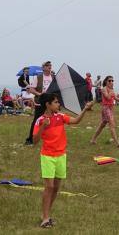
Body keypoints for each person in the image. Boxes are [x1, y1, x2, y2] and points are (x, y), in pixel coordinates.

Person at [33, 93, 93, 228]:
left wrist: (84, 109)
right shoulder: (40, 120)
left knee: (56, 188)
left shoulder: (60, 117)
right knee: (49, 187)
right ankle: (45, 218)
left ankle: (46, 215)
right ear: (48, 104)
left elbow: (76, 121)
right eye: (55, 102)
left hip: (61, 156)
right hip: (48, 156)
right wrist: (43, 126)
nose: (58, 104)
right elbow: (35, 141)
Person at [90, 75, 119, 147]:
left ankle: (93, 139)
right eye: (109, 81)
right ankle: (117, 142)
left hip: (110, 108)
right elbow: (107, 97)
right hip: (106, 108)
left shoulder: (111, 89)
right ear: (106, 81)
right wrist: (111, 91)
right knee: (112, 124)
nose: (111, 82)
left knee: (102, 125)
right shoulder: (104, 89)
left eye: (112, 81)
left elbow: (115, 98)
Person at [26, 61, 55, 145]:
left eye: (50, 65)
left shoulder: (53, 77)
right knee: (37, 120)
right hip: (40, 101)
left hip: (51, 102)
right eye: (47, 65)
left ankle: (51, 139)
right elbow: (31, 89)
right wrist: (39, 94)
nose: (49, 66)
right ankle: (30, 139)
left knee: (52, 120)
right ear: (43, 68)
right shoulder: (38, 77)